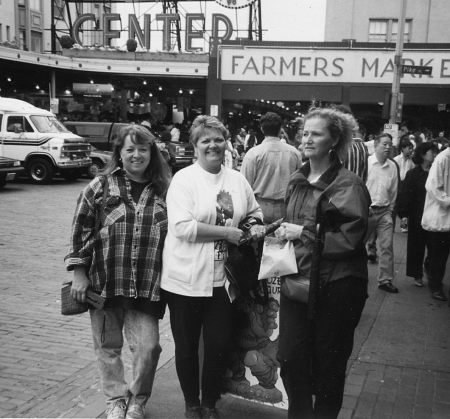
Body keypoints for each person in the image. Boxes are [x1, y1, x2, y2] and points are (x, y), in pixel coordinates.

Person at [160, 115, 264, 419]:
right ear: (195, 146)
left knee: (219, 345)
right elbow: (181, 227)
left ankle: (210, 404)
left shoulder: (236, 179)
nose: (213, 145)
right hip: (185, 279)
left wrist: (254, 226)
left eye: (218, 139)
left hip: (224, 281)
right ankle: (192, 405)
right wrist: (225, 233)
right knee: (188, 347)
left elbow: (253, 210)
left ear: (226, 143)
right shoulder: (184, 179)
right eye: (205, 140)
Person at [65, 125, 171, 419]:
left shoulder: (166, 190)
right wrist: (79, 273)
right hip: (104, 282)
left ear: (152, 153)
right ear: (119, 153)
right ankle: (116, 399)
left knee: (148, 348)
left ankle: (137, 399)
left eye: (143, 149)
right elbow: (80, 231)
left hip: (148, 284)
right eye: (130, 149)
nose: (137, 155)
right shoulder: (100, 187)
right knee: (107, 346)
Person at [275, 107, 370, 419]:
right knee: (289, 359)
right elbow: (294, 224)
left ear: (334, 140)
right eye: (305, 133)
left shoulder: (348, 184)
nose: (307, 139)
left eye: (316, 133)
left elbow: (349, 240)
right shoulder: (297, 178)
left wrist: (302, 233)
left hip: (336, 286)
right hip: (297, 282)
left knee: (329, 365)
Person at [240, 112, 302, 223]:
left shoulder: (253, 153)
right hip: (286, 206)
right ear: (280, 130)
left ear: (262, 129)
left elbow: (244, 186)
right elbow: (299, 183)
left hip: (259, 207)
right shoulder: (294, 153)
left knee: (258, 238)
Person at [397, 142, 439, 287]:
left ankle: (428, 266)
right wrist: (403, 215)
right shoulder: (413, 174)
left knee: (434, 247)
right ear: (422, 154)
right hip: (417, 215)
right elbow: (405, 196)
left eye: (435, 152)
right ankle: (417, 274)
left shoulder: (437, 172)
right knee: (416, 246)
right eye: (431, 152)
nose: (434, 154)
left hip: (434, 215)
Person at [365, 133, 399, 293]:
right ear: (376, 145)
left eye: (389, 144)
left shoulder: (392, 166)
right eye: (384, 144)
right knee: (357, 246)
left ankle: (385, 280)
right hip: (367, 211)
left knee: (387, 246)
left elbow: (393, 191)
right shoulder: (366, 163)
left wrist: (390, 211)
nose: (387, 147)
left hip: (384, 211)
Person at [421, 144, 450, 302]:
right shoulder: (442, 159)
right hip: (441, 216)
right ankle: (435, 285)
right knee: (440, 254)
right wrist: (447, 200)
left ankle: (431, 270)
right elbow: (431, 186)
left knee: (440, 254)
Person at [393, 138, 415, 232]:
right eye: (409, 148)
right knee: (395, 206)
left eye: (411, 148)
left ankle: (403, 225)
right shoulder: (396, 160)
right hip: (398, 184)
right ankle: (392, 226)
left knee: (405, 206)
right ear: (403, 149)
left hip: (407, 186)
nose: (411, 150)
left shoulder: (412, 161)